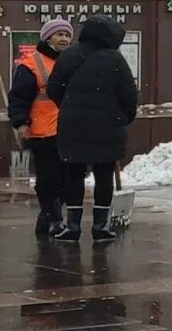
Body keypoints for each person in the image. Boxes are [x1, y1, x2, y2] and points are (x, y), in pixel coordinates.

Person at [43, 15, 138, 243]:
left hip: (73, 125)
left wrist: (70, 108)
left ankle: (73, 227)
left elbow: (54, 88)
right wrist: (122, 117)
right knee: (103, 173)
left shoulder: (70, 56)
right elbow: (129, 95)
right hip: (107, 126)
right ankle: (100, 226)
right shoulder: (116, 60)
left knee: (73, 173)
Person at [7, 17, 74, 238]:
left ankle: (46, 219)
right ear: (47, 37)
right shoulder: (31, 64)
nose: (63, 38)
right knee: (48, 179)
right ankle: (54, 220)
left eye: (66, 35)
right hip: (42, 131)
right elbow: (19, 96)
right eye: (59, 34)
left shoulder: (72, 61)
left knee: (69, 179)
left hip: (68, 130)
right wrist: (20, 122)